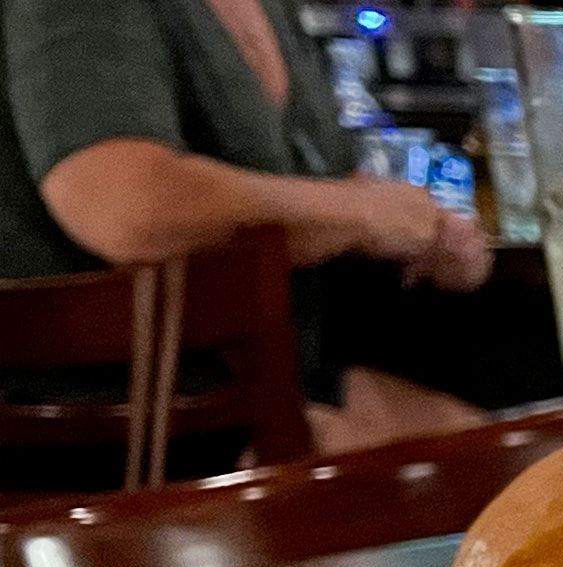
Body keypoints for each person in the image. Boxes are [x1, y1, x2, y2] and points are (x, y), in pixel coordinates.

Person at [0, 0, 491, 468]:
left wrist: (426, 229)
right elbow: (123, 206)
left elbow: (311, 186)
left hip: (262, 393)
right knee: (504, 471)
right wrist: (359, 212)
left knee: (516, 434)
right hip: (110, 433)